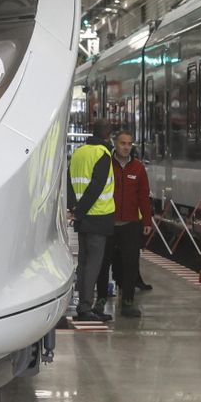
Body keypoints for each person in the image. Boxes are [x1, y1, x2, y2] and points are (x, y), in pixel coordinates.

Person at [94, 130, 154, 318]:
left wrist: (146, 220)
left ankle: (127, 301)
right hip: (107, 222)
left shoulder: (138, 168)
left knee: (130, 263)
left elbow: (143, 196)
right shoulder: (105, 164)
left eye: (129, 144)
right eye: (122, 143)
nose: (126, 147)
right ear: (115, 143)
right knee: (103, 263)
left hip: (130, 224)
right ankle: (101, 298)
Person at [68, 119, 116, 322]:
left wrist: (74, 208)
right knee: (93, 265)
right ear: (107, 134)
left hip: (83, 217)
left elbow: (69, 182)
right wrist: (80, 211)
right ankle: (85, 307)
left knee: (85, 262)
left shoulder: (79, 152)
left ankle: (83, 303)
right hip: (98, 216)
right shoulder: (103, 154)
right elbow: (96, 187)